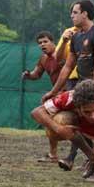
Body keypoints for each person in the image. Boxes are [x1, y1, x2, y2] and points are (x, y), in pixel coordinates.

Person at [54, 25, 94, 173]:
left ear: (84, 13)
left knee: (89, 122)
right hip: (72, 82)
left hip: (90, 85)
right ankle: (85, 159)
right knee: (79, 121)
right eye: (71, 13)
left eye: (75, 12)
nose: (72, 16)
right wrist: (63, 41)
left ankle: (79, 158)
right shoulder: (70, 33)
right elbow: (58, 59)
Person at [22, 31, 66, 163]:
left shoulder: (64, 55)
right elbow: (37, 74)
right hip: (57, 95)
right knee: (48, 120)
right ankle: (53, 155)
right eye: (40, 43)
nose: (42, 45)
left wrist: (58, 92)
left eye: (45, 41)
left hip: (69, 93)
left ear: (53, 42)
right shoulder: (43, 59)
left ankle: (80, 157)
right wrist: (28, 75)